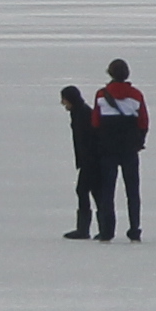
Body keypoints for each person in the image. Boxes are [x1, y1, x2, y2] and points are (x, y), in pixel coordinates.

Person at [85, 57, 150, 239]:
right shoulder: (136, 95)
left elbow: (95, 122)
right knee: (132, 190)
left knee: (107, 190)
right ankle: (135, 229)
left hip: (107, 148)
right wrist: (139, 141)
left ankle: (107, 231)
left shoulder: (101, 95)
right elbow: (143, 121)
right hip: (129, 149)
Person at [56, 83, 98, 239]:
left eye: (64, 100)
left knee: (85, 191)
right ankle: (99, 228)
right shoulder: (79, 112)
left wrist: (87, 160)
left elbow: (89, 140)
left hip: (91, 160)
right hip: (89, 160)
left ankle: (84, 229)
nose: (62, 103)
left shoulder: (82, 114)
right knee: (93, 192)